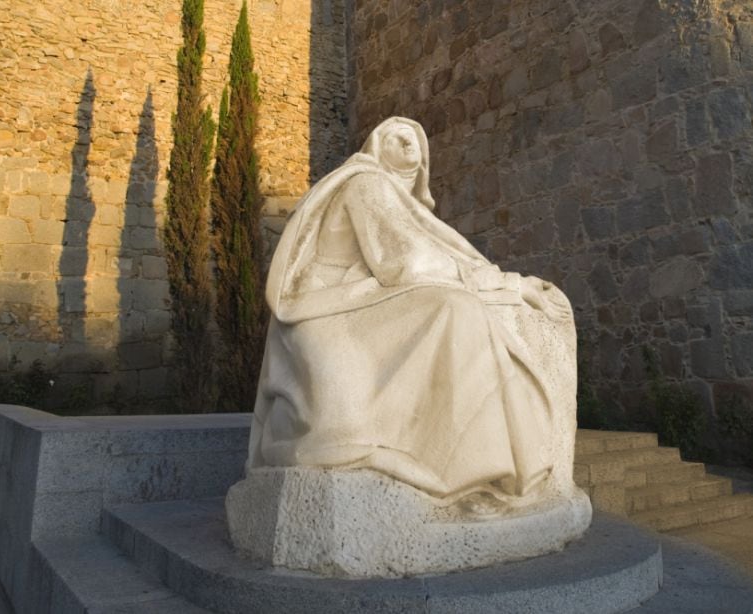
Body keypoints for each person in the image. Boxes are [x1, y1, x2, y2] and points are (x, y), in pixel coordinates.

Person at [246, 117, 574, 506]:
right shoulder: (365, 182)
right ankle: (467, 471)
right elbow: (407, 261)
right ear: (376, 145)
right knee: (456, 309)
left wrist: (503, 284)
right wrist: (508, 285)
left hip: (361, 300)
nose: (408, 147)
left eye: (416, 143)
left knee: (458, 309)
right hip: (328, 308)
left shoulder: (401, 204)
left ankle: (481, 468)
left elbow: (416, 260)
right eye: (398, 138)